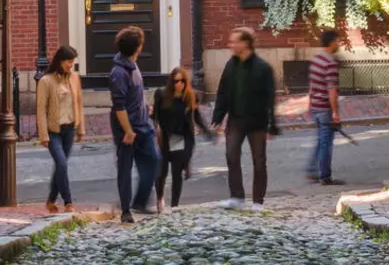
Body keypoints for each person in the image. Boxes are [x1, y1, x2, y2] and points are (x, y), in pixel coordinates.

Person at [213, 26, 279, 211]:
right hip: (235, 119)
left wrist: (272, 124)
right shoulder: (230, 65)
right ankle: (237, 197)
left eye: (234, 41)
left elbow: (270, 97)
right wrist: (218, 117)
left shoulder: (263, 68)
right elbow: (223, 92)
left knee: (259, 161)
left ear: (245, 43)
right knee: (231, 156)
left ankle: (258, 201)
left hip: (257, 121)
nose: (230, 45)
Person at [107, 26, 160, 223]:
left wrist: (146, 109)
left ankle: (139, 201)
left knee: (154, 159)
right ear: (138, 47)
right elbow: (119, 106)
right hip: (128, 129)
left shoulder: (133, 66)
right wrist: (128, 131)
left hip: (142, 124)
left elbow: (134, 96)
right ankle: (126, 210)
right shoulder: (119, 72)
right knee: (125, 168)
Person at [152, 66, 212, 210]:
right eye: (175, 81)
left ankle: (174, 206)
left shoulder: (191, 97)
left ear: (186, 82)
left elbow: (197, 117)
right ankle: (160, 198)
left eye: (182, 81)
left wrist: (208, 132)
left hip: (182, 137)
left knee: (176, 173)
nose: (178, 84)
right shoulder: (161, 95)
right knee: (161, 172)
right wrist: (156, 129)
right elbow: (155, 116)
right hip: (166, 137)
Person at [35, 46, 85, 213]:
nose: (71, 65)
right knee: (62, 164)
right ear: (60, 61)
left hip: (69, 128)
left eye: (73, 62)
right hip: (53, 131)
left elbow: (78, 103)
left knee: (60, 166)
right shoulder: (46, 81)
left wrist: (80, 129)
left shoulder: (75, 78)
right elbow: (41, 109)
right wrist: (43, 135)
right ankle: (68, 202)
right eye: (69, 61)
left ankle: (50, 200)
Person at [306, 28, 344, 186]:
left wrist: (310, 104)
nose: (339, 44)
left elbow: (312, 85)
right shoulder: (330, 63)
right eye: (337, 41)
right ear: (332, 42)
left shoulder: (316, 59)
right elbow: (332, 90)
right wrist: (335, 112)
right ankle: (325, 176)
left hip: (315, 105)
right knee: (326, 143)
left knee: (321, 140)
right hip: (324, 108)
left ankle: (312, 170)